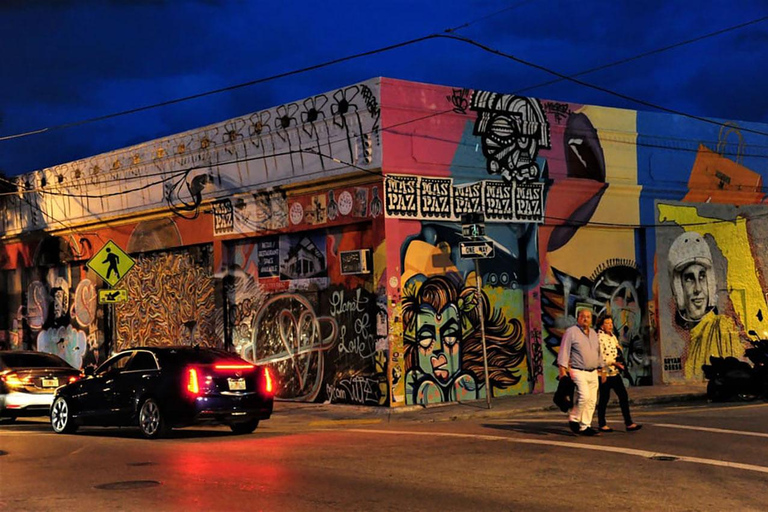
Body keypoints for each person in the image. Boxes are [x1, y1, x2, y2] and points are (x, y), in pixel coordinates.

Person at [557, 308, 601, 436]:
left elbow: (598, 352)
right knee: (584, 396)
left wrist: (601, 368)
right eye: (583, 316)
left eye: (588, 317)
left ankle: (585, 426)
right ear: (578, 318)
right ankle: (574, 418)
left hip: (593, 371)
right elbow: (564, 351)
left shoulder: (593, 333)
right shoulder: (571, 332)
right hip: (578, 370)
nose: (586, 319)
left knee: (592, 400)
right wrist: (562, 370)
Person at [596, 315, 641, 432]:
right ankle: (602, 424)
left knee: (623, 396)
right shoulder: (599, 337)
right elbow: (601, 357)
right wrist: (613, 364)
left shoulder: (613, 337)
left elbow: (617, 350)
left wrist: (619, 354)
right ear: (602, 325)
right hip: (604, 373)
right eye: (607, 323)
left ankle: (629, 422)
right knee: (604, 399)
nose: (610, 325)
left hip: (615, 373)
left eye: (611, 323)